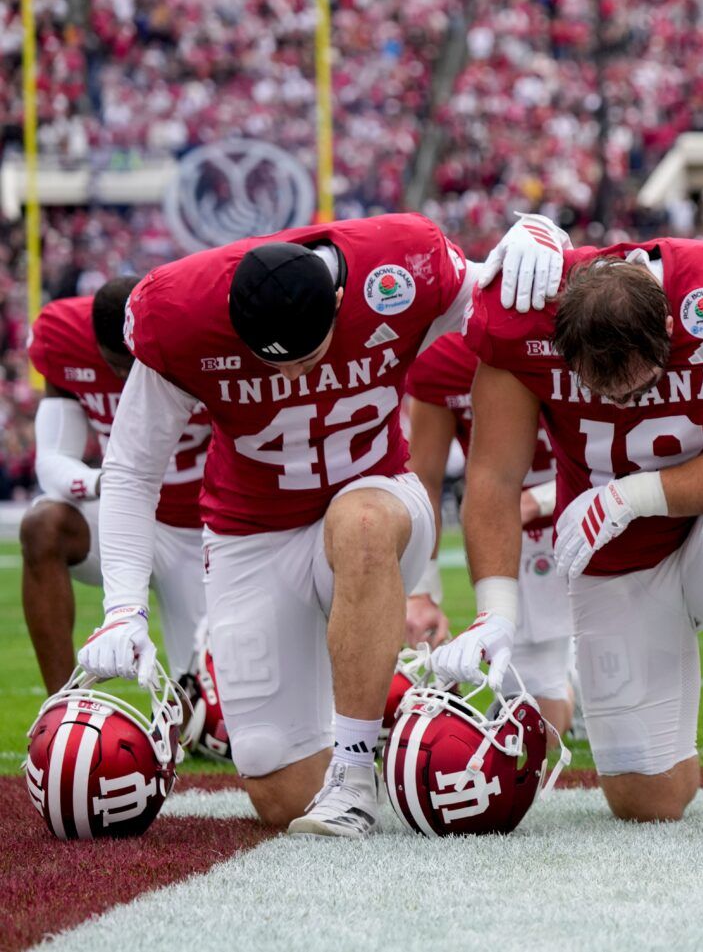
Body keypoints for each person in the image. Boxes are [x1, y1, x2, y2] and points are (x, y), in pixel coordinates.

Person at [77, 212, 563, 836]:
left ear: (339, 300)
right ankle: (390, 709)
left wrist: (544, 238)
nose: (290, 378)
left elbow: (506, 291)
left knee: (357, 521)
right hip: (250, 531)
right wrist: (122, 609)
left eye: (305, 356)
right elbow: (132, 469)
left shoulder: (400, 267)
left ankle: (357, 779)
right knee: (282, 797)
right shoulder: (180, 312)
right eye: (269, 363)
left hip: (378, 503)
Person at [436, 236, 703, 838]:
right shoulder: (518, 317)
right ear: (557, 343)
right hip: (617, 560)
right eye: (601, 388)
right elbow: (493, 476)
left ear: (668, 323)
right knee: (646, 800)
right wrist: (496, 614)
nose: (620, 400)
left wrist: (630, 495)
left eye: (634, 385)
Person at [22, 279, 211, 693]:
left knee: (210, 711)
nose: (131, 377)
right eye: (118, 364)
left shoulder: (200, 336)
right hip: (122, 521)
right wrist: (105, 483)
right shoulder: (64, 338)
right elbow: (51, 460)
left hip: (202, 530)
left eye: (137, 361)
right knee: (43, 524)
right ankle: (61, 707)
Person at [404, 334, 572, 734]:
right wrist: (421, 591)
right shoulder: (441, 356)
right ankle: (564, 680)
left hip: (596, 512)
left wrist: (539, 500)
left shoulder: (564, 331)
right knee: (535, 724)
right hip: (512, 537)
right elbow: (424, 475)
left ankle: (576, 673)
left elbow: (616, 449)